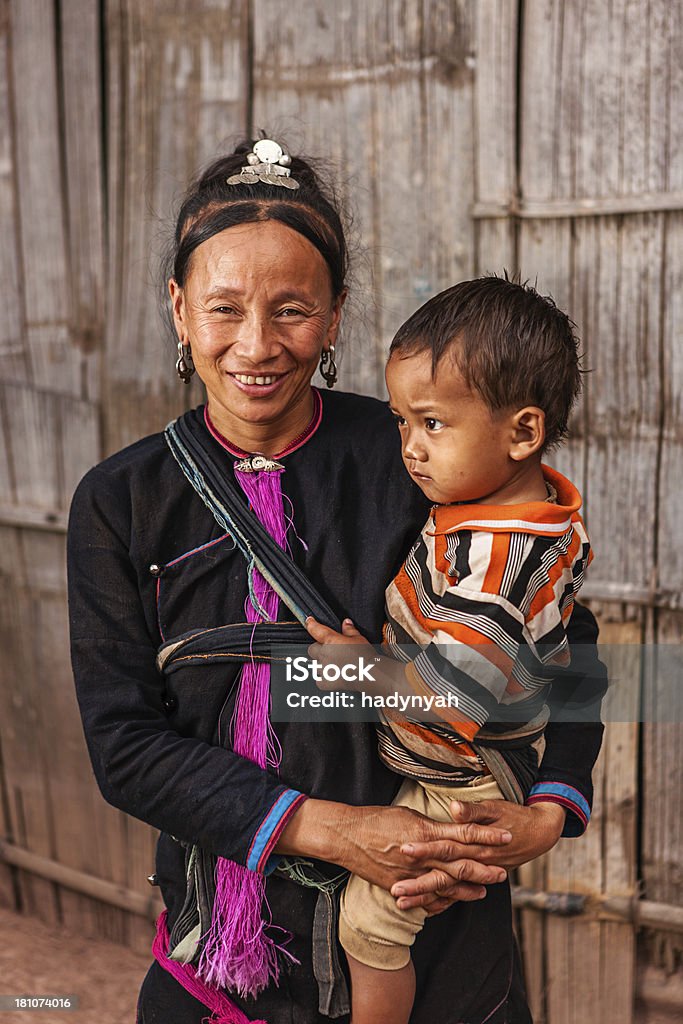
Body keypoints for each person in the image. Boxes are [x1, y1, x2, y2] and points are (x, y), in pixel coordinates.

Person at [67, 139, 607, 1024]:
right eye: (223, 309)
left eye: (291, 310)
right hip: (221, 961)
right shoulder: (122, 504)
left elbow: (564, 644)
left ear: (335, 315)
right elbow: (124, 746)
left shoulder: (411, 459)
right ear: (177, 309)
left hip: (439, 955)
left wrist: (551, 806)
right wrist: (334, 830)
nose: (256, 345)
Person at [306, 276, 593, 1024]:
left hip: (461, 780)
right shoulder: (517, 509)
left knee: (370, 924)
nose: (408, 447)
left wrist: (354, 669)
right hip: (476, 761)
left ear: (522, 433)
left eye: (431, 423)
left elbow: (447, 695)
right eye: (401, 421)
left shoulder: (494, 566)